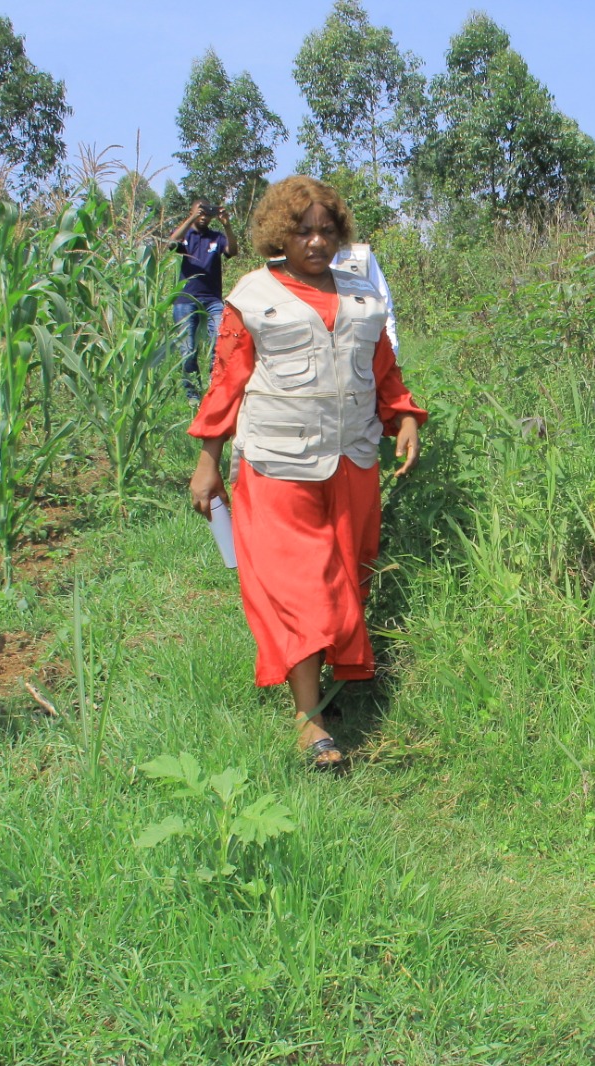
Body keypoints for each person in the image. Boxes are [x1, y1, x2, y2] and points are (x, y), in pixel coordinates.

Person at [187, 176, 425, 771]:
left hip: (352, 461)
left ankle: (323, 687)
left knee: (344, 578)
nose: (316, 242)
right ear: (279, 234)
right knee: (302, 587)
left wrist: (404, 418)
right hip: (278, 465)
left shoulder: (363, 298)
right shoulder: (252, 297)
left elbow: (384, 371)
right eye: (302, 231)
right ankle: (309, 720)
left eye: (326, 230)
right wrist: (208, 462)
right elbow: (226, 382)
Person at [168, 200, 238, 402]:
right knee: (188, 349)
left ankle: (214, 385)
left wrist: (227, 225)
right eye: (200, 212)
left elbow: (232, 251)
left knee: (220, 340)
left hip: (212, 299)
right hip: (185, 299)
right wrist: (191, 218)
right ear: (192, 212)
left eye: (207, 213)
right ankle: (192, 393)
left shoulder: (216, 237)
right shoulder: (186, 236)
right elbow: (171, 244)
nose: (204, 216)